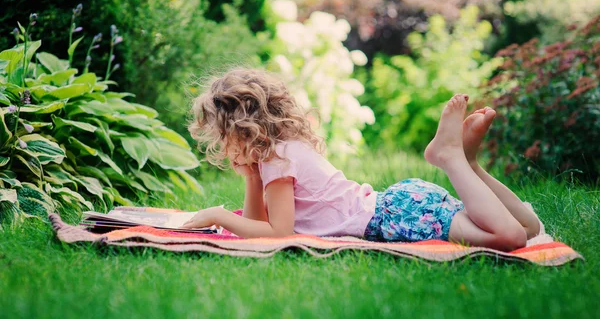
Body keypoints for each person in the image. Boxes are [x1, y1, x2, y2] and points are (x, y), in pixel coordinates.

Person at [183, 68, 540, 251]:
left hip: (398, 217)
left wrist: (217, 214)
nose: (223, 145)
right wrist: (250, 178)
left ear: (242, 130)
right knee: (529, 229)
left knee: (510, 237)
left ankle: (451, 158)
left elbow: (277, 233)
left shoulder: (278, 159)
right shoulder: (282, 151)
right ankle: (470, 164)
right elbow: (261, 222)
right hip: (402, 204)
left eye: (222, 136)